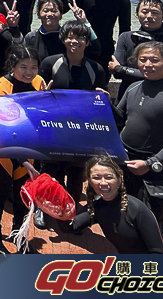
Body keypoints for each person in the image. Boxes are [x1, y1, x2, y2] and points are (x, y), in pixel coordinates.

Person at [114, 42, 163, 234]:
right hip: (125, 156)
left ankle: (161, 220)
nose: (147, 64)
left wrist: (150, 163)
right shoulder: (133, 87)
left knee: (157, 219)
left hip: (154, 162)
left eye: (154, 60)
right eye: (143, 59)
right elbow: (120, 118)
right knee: (126, 203)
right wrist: (104, 104)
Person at [38, 20, 110, 223]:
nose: (74, 41)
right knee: (50, 170)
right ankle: (43, 209)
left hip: (81, 131)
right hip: (53, 129)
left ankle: (71, 211)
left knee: (76, 173)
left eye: (79, 38)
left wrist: (102, 99)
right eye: (69, 36)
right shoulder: (50, 63)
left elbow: (99, 102)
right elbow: (37, 97)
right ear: (63, 39)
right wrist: (41, 94)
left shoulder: (96, 69)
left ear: (87, 42)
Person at [0, 44, 48, 254]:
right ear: (13, 65)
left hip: (28, 147)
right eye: (23, 67)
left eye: (33, 67)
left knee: (23, 193)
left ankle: (17, 232)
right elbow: (2, 128)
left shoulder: (39, 83)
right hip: (3, 148)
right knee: (1, 192)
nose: (29, 72)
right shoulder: (3, 87)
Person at [71, 155, 163, 254]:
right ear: (90, 182)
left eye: (109, 177)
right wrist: (59, 202)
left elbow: (158, 253)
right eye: (96, 177)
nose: (103, 183)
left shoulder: (137, 209)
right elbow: (71, 226)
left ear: (119, 179)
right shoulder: (97, 207)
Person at [110, 0, 163, 101]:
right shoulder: (126, 37)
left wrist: (121, 69)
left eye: (155, 12)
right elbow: (116, 74)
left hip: (156, 100)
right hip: (125, 97)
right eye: (144, 12)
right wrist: (119, 70)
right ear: (136, 15)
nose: (149, 16)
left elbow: (160, 76)